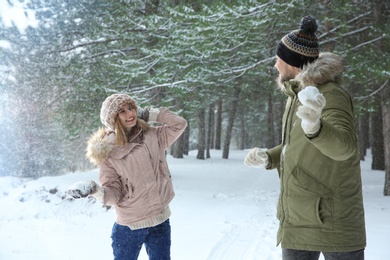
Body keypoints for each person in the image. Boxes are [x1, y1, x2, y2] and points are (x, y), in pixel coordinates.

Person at [244, 16, 366, 260]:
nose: (275, 63)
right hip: (297, 218)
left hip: (332, 220)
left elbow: (345, 148)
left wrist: (315, 127)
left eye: (279, 58)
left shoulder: (331, 95)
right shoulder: (295, 95)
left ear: (292, 62)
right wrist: (270, 157)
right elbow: (297, 146)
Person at [68, 93, 187, 260]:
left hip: (160, 221)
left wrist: (150, 113)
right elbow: (113, 194)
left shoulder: (153, 135)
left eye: (131, 107)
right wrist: (95, 190)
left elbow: (179, 124)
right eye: (122, 111)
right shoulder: (108, 151)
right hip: (130, 227)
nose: (130, 114)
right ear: (113, 119)